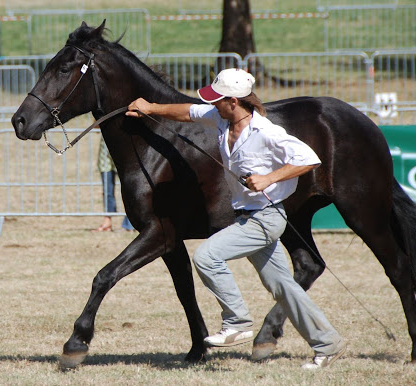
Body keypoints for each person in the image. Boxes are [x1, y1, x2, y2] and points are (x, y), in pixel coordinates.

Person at [126, 68, 345, 370]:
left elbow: (308, 158)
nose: (212, 104)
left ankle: (237, 321)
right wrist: (150, 108)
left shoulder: (266, 132)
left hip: (265, 219)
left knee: (206, 256)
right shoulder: (221, 117)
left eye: (217, 100)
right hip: (245, 216)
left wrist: (270, 177)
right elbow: (188, 112)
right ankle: (328, 343)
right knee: (284, 286)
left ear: (233, 101)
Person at [94, 137, 134, 232]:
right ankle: (107, 222)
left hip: (123, 152)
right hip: (105, 156)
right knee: (107, 190)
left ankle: (129, 223)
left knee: (128, 190)